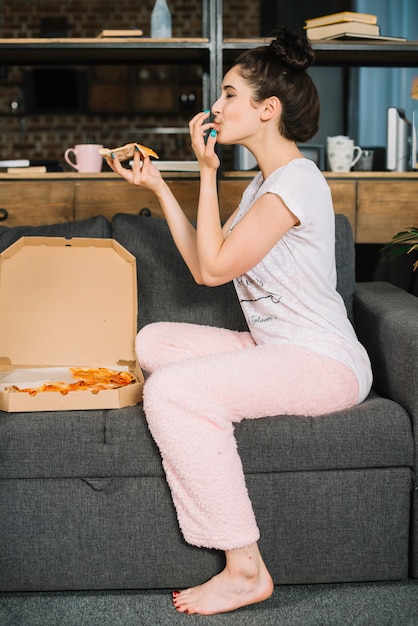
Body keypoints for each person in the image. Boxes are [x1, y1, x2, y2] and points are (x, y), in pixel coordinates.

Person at [105, 28, 372, 616]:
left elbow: (219, 265)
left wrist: (205, 170)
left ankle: (245, 568)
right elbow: (206, 269)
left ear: (267, 110)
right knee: (154, 341)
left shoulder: (297, 181)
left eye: (228, 95)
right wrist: (160, 186)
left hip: (323, 362)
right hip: (274, 346)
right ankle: (214, 404)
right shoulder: (262, 185)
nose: (215, 107)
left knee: (172, 392)